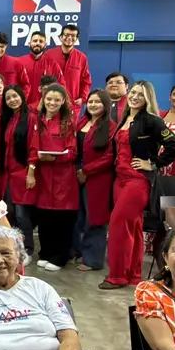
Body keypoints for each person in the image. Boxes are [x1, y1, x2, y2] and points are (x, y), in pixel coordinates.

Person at [102, 81, 175, 290]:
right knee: (133, 226)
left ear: (148, 98)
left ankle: (117, 276)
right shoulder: (124, 119)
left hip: (137, 181)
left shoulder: (152, 121)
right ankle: (133, 274)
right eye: (133, 93)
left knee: (118, 224)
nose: (135, 97)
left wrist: (153, 164)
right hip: (119, 180)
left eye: (140, 94)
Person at [32, 84, 79, 271]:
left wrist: (56, 158)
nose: (52, 103)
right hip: (44, 175)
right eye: (49, 99)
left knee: (62, 218)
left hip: (63, 176)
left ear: (63, 102)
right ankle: (45, 252)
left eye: (57, 100)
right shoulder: (38, 120)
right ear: (43, 100)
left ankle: (60, 257)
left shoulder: (68, 122)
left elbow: (73, 151)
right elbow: (33, 146)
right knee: (45, 217)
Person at [74, 90, 114, 273]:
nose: (93, 105)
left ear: (106, 105)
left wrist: (87, 171)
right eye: (90, 101)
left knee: (95, 219)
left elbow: (110, 156)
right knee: (79, 218)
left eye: (98, 102)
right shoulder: (82, 122)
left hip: (98, 178)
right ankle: (79, 252)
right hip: (77, 174)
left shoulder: (111, 127)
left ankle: (93, 260)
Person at [0, 85, 35, 252]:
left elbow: (34, 146)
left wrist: (31, 172)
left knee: (22, 214)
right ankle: (12, 248)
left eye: (15, 96)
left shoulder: (31, 118)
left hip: (23, 173)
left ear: (22, 96)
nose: (12, 100)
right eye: (8, 98)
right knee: (9, 212)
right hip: (8, 175)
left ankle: (27, 249)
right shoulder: (8, 119)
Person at [54, 24, 93, 113]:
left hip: (73, 105)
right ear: (61, 37)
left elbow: (86, 80)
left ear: (77, 38)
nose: (69, 38)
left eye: (73, 35)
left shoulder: (81, 58)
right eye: (67, 35)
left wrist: (83, 98)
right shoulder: (49, 55)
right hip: (52, 103)